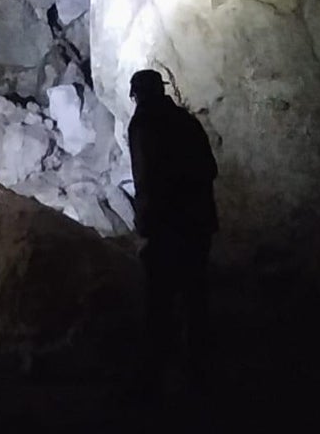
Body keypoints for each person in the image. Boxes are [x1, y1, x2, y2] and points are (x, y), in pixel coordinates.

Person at [126, 69, 219, 399]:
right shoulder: (185, 121)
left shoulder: (144, 124)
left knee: (159, 301)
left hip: (168, 226)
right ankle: (199, 371)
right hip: (196, 222)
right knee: (195, 296)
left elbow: (146, 178)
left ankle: (153, 379)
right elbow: (210, 168)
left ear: (137, 94)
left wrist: (145, 225)